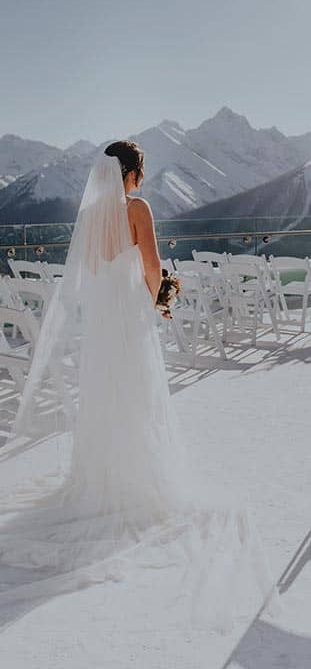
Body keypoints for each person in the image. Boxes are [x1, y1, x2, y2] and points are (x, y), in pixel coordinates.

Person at [2, 143, 281, 632]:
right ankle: (138, 480)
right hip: (129, 313)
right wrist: (155, 298)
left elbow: (88, 272)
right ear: (131, 173)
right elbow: (151, 263)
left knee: (107, 394)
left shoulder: (92, 214)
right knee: (137, 396)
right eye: (143, 171)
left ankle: (101, 475)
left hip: (103, 319)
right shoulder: (137, 208)